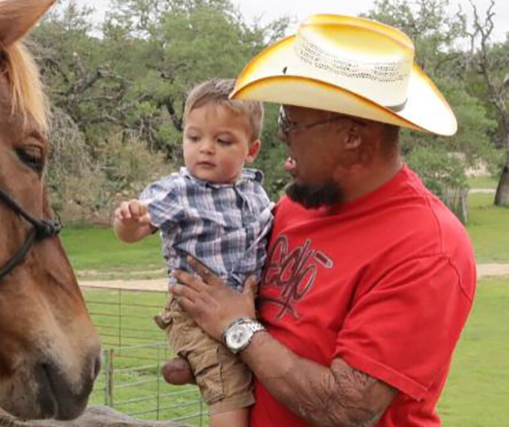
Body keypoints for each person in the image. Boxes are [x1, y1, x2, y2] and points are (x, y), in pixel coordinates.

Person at [168, 15, 477, 427]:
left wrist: (235, 329)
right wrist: (210, 359)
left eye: (291, 123)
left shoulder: (428, 248)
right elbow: (271, 331)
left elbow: (348, 408)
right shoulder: (299, 204)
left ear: (352, 136)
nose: (282, 137)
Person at [112, 78, 272, 427]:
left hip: (244, 307)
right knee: (229, 388)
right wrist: (129, 220)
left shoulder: (256, 192)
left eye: (222, 140)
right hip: (195, 311)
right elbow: (135, 230)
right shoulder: (179, 191)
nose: (206, 149)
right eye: (194, 137)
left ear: (252, 149)